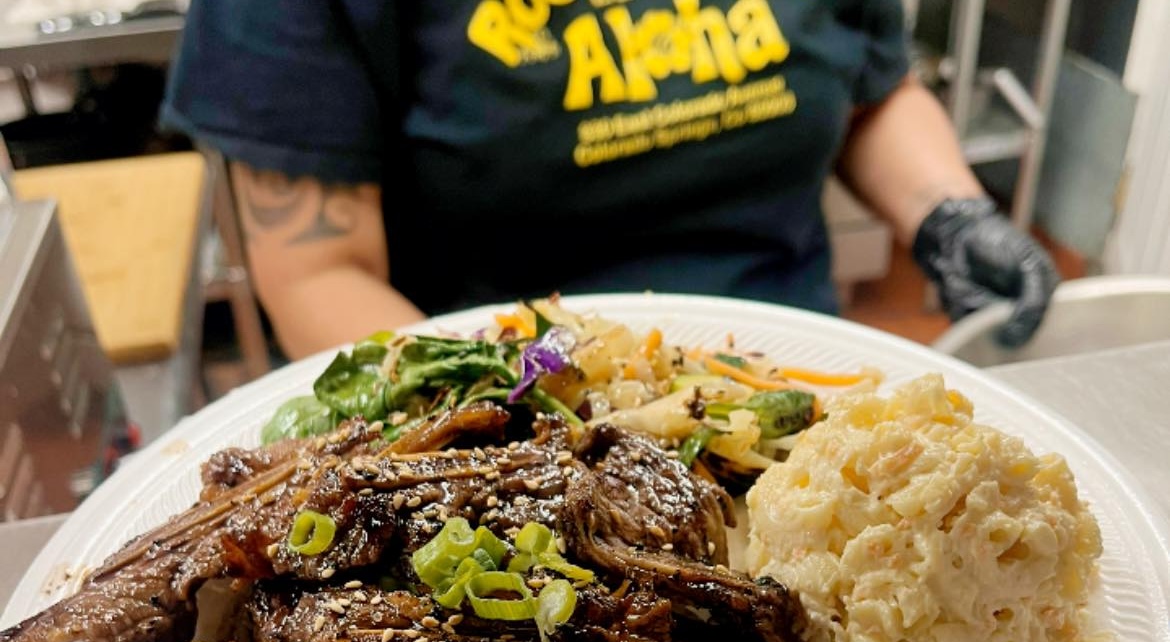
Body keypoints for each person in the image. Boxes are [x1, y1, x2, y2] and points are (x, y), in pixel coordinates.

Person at [161, 0, 1059, 360]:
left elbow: (869, 91)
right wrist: (525, 411)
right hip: (499, 404)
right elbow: (315, 270)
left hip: (791, 375)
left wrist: (948, 212)